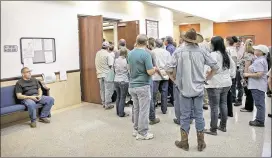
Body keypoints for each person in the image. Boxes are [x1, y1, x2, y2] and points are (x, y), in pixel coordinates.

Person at [165, 28, 219, 151]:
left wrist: (175, 80)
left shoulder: (179, 52)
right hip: (199, 88)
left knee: (185, 116)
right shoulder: (202, 51)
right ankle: (201, 143)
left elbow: (168, 68)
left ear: (184, 39)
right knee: (199, 115)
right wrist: (207, 77)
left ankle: (184, 142)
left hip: (184, 89)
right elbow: (215, 67)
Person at [203, 36, 236, 136]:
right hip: (226, 83)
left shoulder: (213, 54)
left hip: (215, 83)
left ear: (214, 44)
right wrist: (230, 76)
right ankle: (223, 126)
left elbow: (211, 69)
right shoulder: (225, 54)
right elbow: (233, 67)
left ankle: (213, 129)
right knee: (223, 104)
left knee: (214, 107)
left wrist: (205, 78)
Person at [128, 34, 157, 140]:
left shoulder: (130, 53)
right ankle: (143, 133)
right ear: (146, 43)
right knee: (144, 110)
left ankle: (136, 129)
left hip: (132, 85)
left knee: (136, 108)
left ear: (136, 41)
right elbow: (149, 72)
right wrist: (155, 69)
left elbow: (129, 68)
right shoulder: (146, 55)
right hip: (143, 86)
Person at [244, 45, 269, 127]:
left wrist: (247, 74)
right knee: (259, 103)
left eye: (256, 49)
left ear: (261, 52)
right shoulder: (260, 59)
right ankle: (259, 119)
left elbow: (259, 74)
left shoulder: (260, 61)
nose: (254, 50)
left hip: (258, 85)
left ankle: (260, 121)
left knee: (259, 104)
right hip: (258, 85)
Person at [151, 39, 171, 114]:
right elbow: (170, 64)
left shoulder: (152, 52)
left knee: (154, 94)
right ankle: (164, 109)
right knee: (164, 93)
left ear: (155, 44)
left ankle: (152, 110)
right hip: (165, 74)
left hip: (155, 75)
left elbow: (151, 64)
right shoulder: (167, 53)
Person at [95, 41, 114, 110]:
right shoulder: (108, 55)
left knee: (102, 89)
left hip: (99, 74)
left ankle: (103, 103)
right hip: (107, 74)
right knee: (108, 90)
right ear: (108, 47)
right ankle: (107, 104)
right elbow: (110, 65)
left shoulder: (97, 53)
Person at [239, 39, 255, 112]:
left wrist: (245, 77)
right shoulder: (251, 54)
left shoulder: (247, 54)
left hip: (246, 75)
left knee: (248, 92)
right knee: (248, 92)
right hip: (249, 75)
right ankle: (247, 106)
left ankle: (248, 108)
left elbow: (246, 66)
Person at [114, 47, 129, 117]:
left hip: (116, 80)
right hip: (124, 80)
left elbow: (114, 70)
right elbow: (129, 71)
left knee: (118, 96)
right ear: (126, 53)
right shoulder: (126, 61)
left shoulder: (116, 60)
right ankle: (121, 113)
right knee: (123, 97)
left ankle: (117, 112)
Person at [165, 36, 176, 107]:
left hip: (171, 69)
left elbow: (169, 61)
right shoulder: (173, 47)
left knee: (171, 86)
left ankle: (172, 101)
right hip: (174, 69)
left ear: (167, 41)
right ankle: (173, 99)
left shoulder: (168, 49)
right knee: (172, 86)